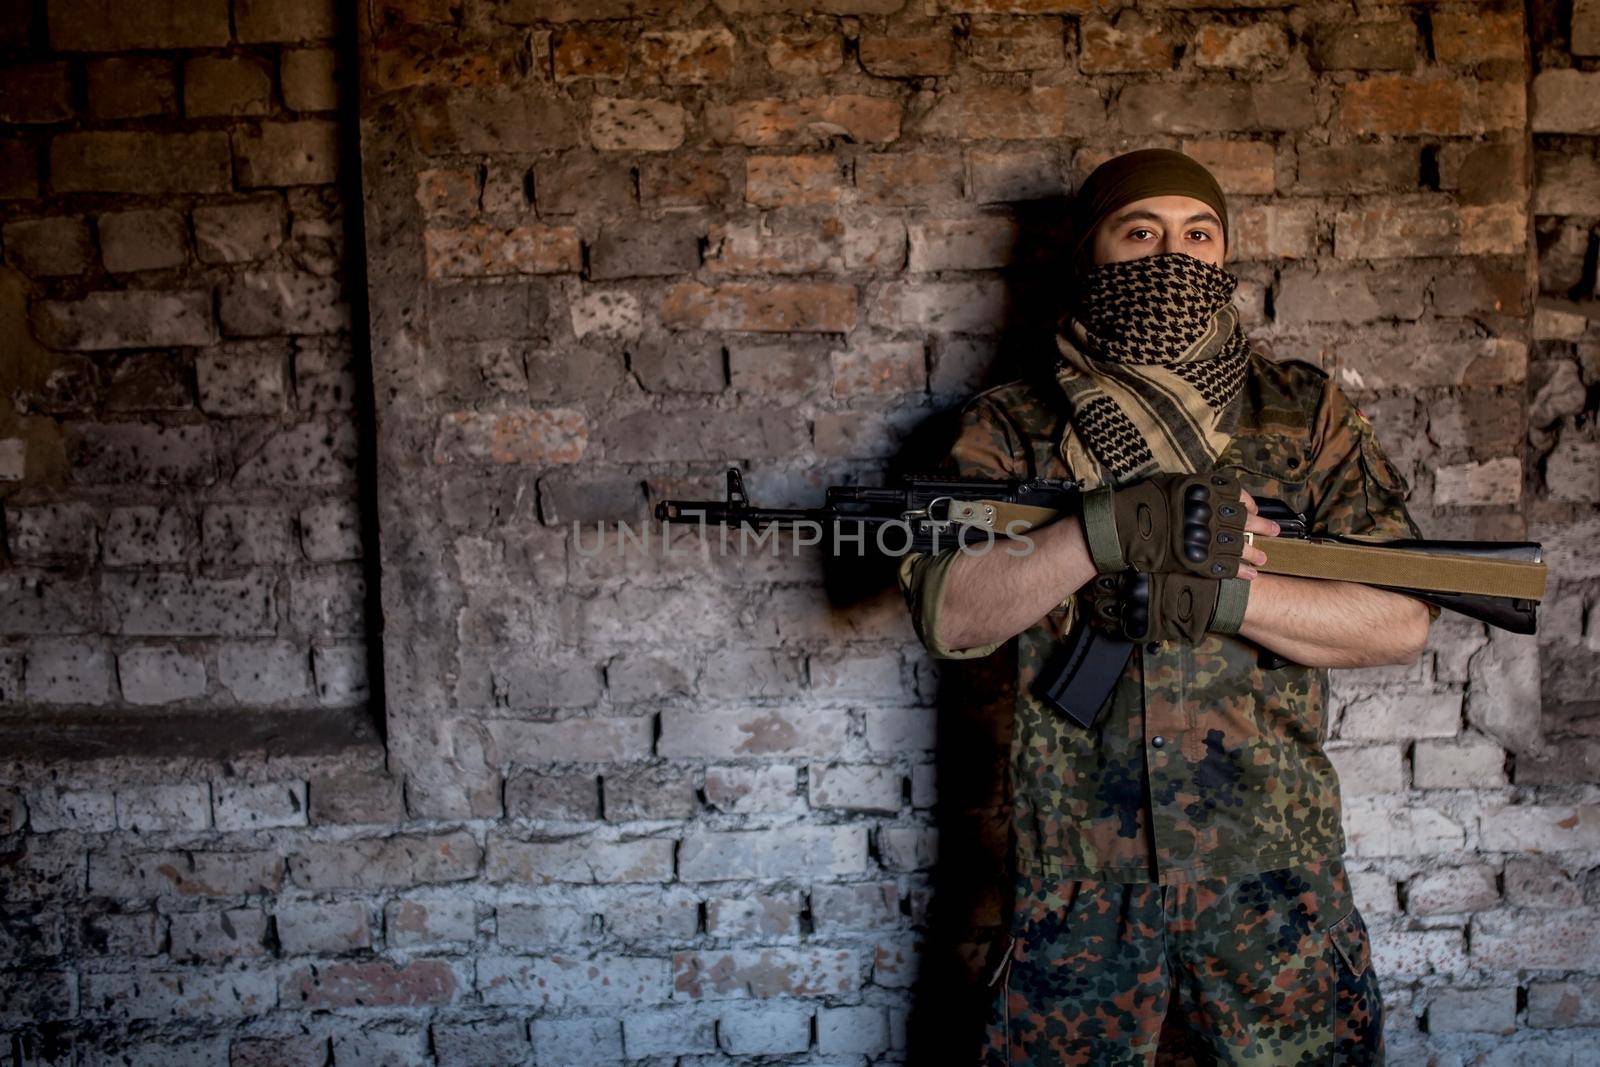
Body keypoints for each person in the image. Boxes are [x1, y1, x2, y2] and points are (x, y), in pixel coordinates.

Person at [896, 147, 1432, 1065]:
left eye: (1198, 234)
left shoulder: (1300, 414)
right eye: (1139, 232)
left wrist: (1230, 597)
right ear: (1089, 255)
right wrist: (1101, 533)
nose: (1171, 257)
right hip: (1072, 877)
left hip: (1272, 868)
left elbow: (1401, 619)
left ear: (1225, 259)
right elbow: (953, 614)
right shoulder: (1015, 424)